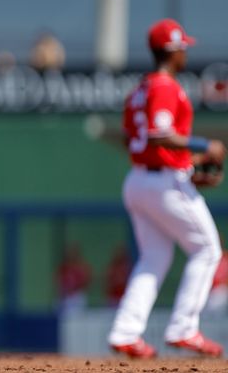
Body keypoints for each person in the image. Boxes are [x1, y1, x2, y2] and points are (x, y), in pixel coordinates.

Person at [108, 18, 226, 359]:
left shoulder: (140, 89)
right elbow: (160, 134)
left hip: (139, 180)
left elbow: (141, 138)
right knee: (207, 250)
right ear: (172, 50)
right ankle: (184, 328)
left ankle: (126, 332)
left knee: (154, 257)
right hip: (162, 183)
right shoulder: (165, 86)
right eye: (183, 46)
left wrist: (186, 166)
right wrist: (205, 146)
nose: (186, 52)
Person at [56, 244, 92, 312]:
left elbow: (87, 281)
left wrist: (76, 288)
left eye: (73, 253)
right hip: (65, 296)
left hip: (77, 296)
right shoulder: (63, 267)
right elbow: (58, 281)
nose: (71, 255)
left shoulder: (82, 267)